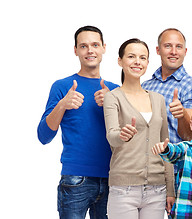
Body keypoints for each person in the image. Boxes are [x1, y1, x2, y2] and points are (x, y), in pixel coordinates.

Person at [37, 25, 119, 219]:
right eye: (83, 46)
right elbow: (43, 136)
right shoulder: (62, 87)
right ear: (75, 50)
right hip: (75, 180)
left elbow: (128, 135)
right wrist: (63, 105)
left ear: (104, 48)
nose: (90, 50)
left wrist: (112, 103)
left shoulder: (115, 90)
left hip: (113, 180)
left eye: (95, 45)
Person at [103, 38, 175, 219]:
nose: (137, 62)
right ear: (120, 61)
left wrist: (170, 189)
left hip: (157, 190)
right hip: (123, 189)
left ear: (148, 63)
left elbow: (166, 146)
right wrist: (122, 135)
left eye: (143, 58)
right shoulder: (113, 97)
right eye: (131, 56)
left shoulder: (158, 99)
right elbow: (111, 136)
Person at [141, 28, 192, 213]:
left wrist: (182, 114)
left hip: (179, 173)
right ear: (158, 50)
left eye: (179, 47)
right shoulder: (145, 86)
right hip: (147, 171)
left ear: (185, 51)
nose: (173, 51)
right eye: (168, 46)